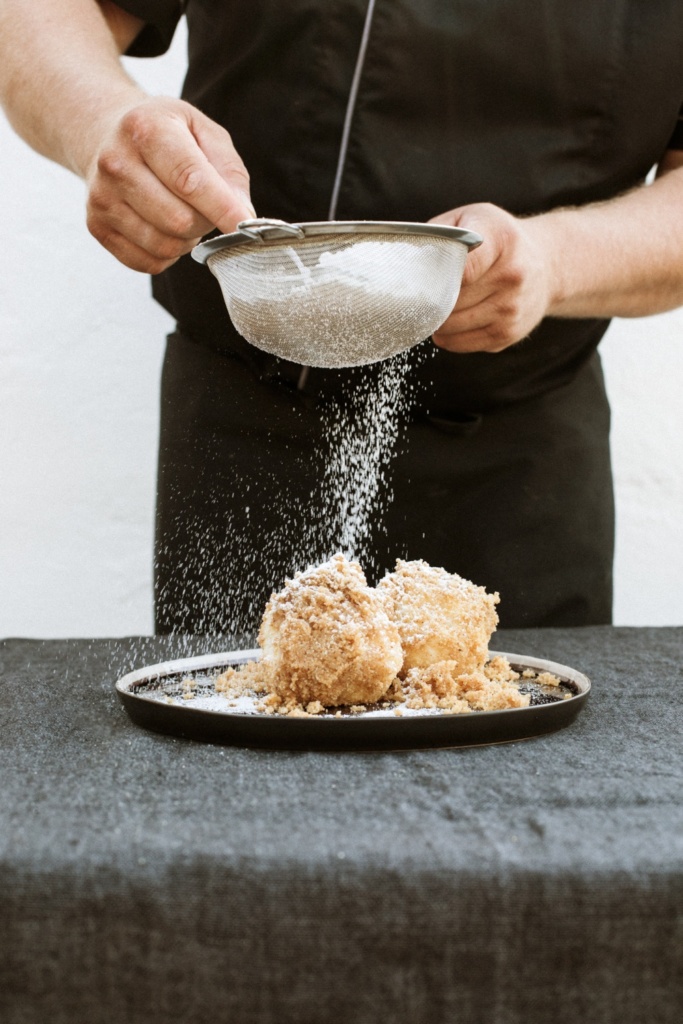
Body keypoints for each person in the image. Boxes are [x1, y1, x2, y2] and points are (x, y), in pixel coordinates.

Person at [2, 0, 683, 635]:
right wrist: (100, 124)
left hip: (519, 469)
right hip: (247, 427)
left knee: (523, 750)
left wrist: (556, 260)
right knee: (226, 746)